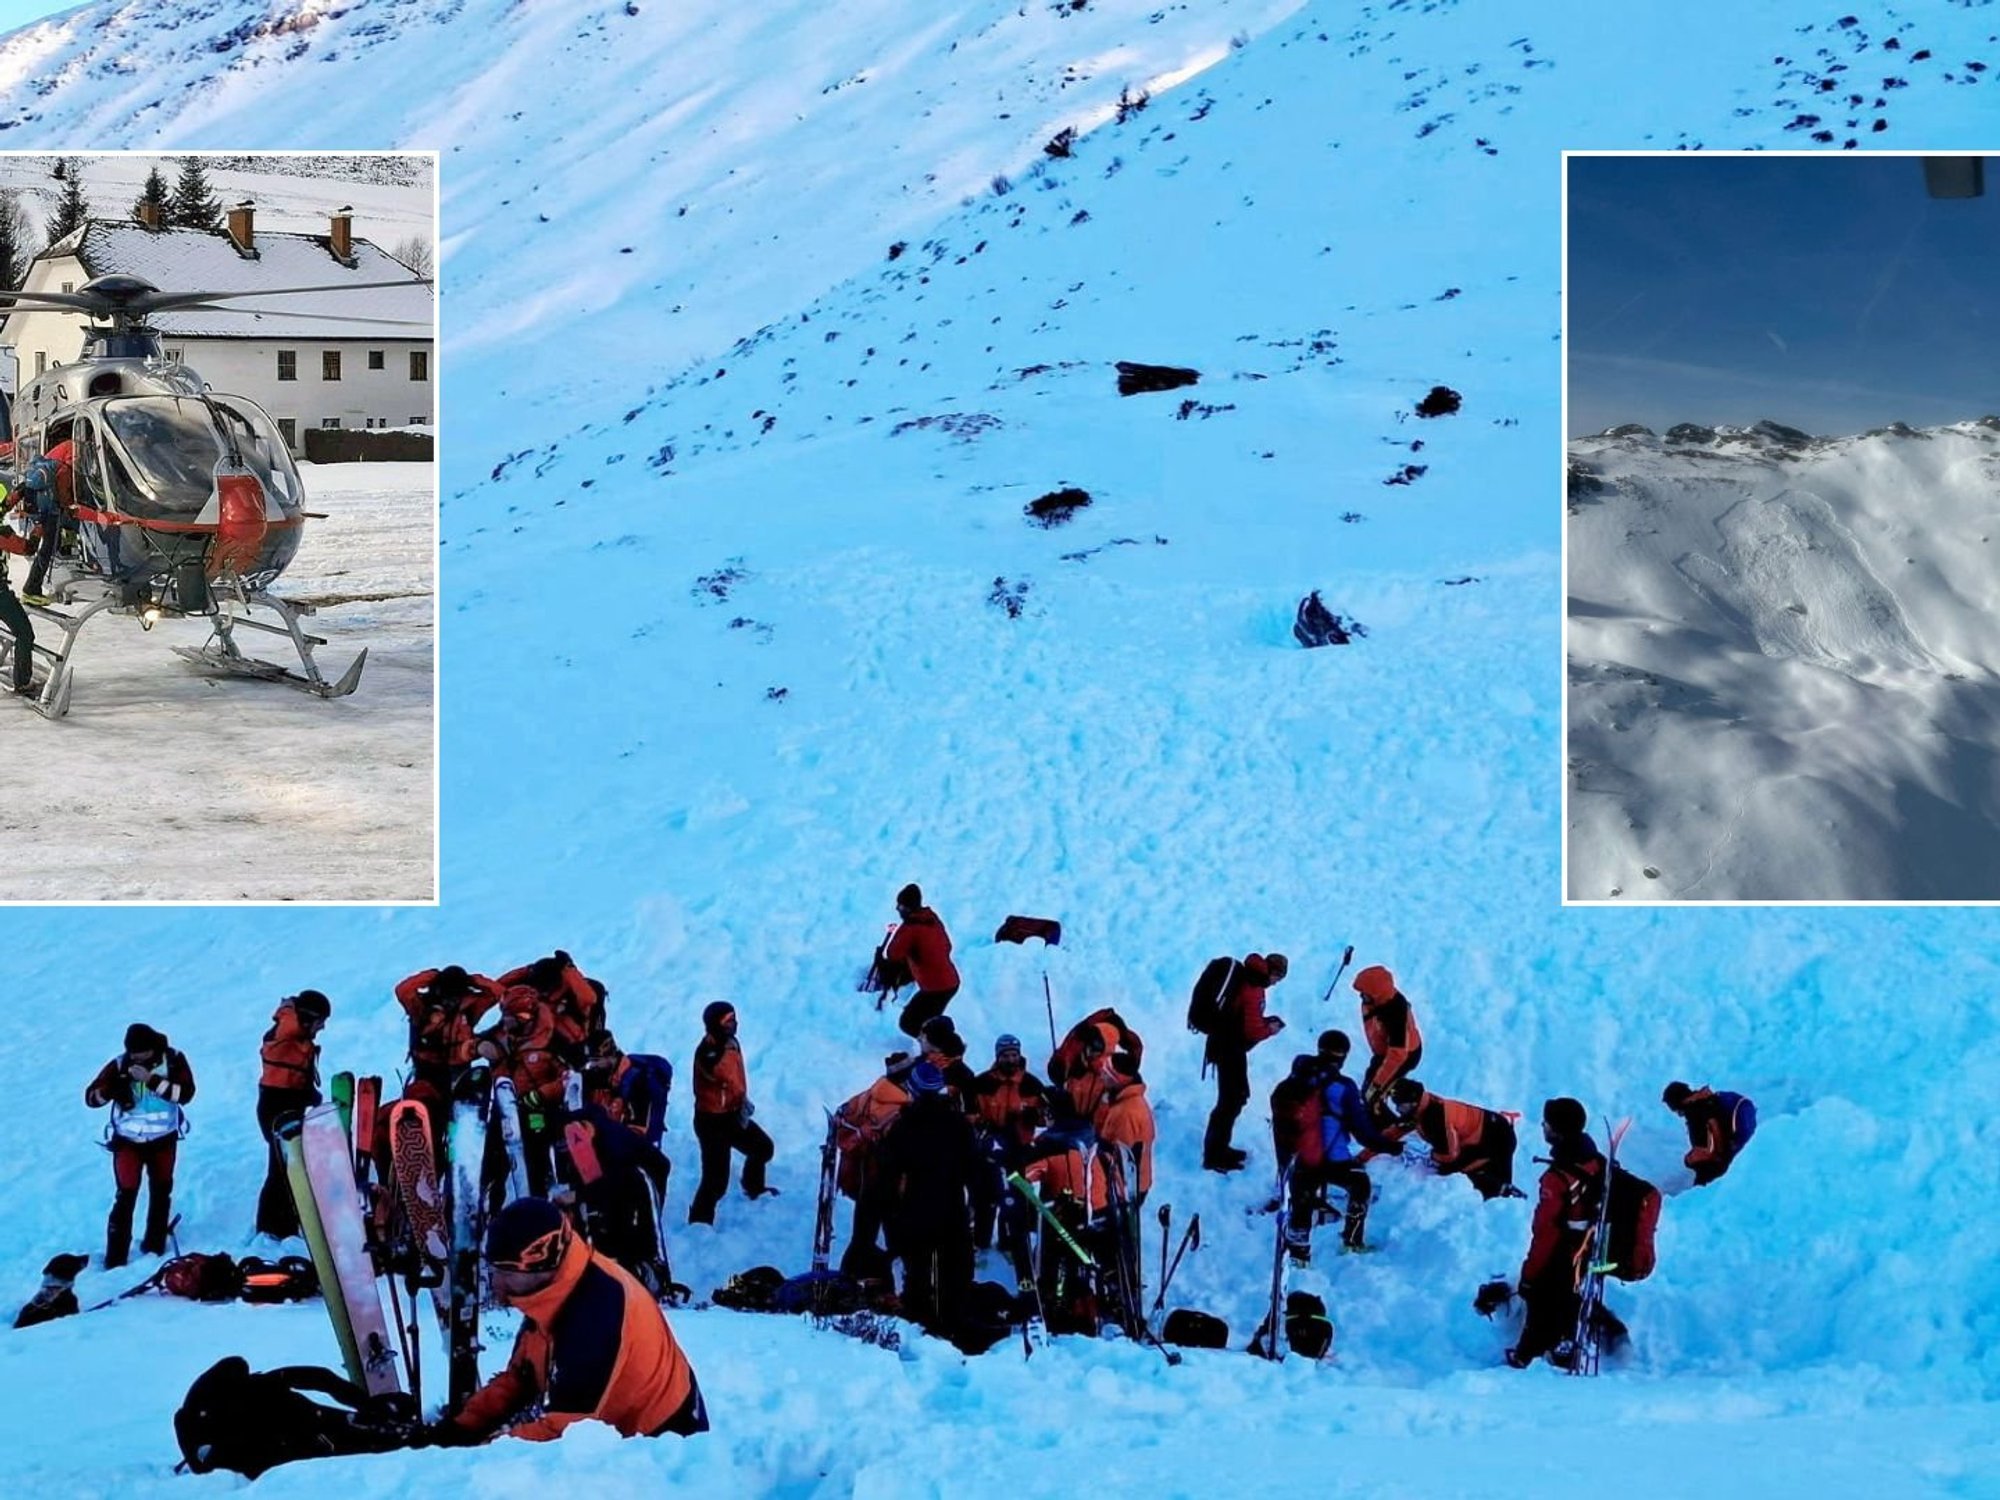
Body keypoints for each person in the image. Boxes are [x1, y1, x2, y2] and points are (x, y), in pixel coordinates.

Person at [440, 1197, 706, 1443]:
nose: (496, 1283)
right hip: (617, 1430)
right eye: (493, 1270)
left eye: (506, 1272)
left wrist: (480, 1452)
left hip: (668, 1449)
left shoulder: (594, 1315)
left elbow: (562, 1434)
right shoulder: (556, 1289)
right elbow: (521, 1378)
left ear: (541, 1266)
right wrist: (461, 1427)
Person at [1507, 1097, 1624, 1369]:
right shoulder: (1595, 1160)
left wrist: (1530, 1273)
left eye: (1546, 1122)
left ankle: (1529, 1356)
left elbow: (1545, 1232)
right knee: (1567, 1297)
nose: (1542, 1126)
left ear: (1556, 1130)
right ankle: (1566, 1343)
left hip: (1564, 1249)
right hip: (1589, 1245)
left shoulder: (1558, 1177)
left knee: (1539, 1297)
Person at [875, 1062, 981, 1340]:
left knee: (918, 1274)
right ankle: (954, 1323)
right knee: (954, 1274)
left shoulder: (903, 1127)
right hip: (952, 1207)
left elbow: (888, 1175)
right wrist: (978, 1205)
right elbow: (975, 1169)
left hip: (916, 1208)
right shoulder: (958, 1125)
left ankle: (918, 1327)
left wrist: (891, 1214)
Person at [84, 1024, 196, 1268]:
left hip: (163, 1140)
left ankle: (155, 1245)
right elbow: (91, 1098)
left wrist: (151, 1080)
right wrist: (111, 1090)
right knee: (125, 1196)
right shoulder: (120, 1064)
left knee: (161, 1192)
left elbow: (185, 1094)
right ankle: (115, 1258)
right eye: (132, 1053)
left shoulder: (174, 1060)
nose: (135, 1057)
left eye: (140, 1053)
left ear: (153, 1049)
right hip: (127, 1142)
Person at [1309, 1029, 1400, 1254]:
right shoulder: (1344, 1088)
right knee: (1361, 1185)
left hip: (1300, 1155)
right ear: (1343, 1056)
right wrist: (1389, 1146)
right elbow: (1363, 1132)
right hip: (1330, 1160)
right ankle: (1352, 1240)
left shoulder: (1300, 1074)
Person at [478, 986, 572, 1195]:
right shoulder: (506, 1031)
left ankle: (542, 1199)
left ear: (524, 1016)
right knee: (493, 1157)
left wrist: (541, 1095)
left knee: (535, 1157)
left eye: (509, 1016)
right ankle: (488, 1205)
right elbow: (479, 1042)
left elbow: (569, 1077)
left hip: (539, 1110)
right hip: (506, 1105)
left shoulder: (554, 1040)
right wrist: (481, 1046)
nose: (504, 1021)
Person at [687, 1002, 774, 1225]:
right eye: (728, 1021)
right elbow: (720, 1073)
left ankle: (753, 1187)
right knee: (715, 1181)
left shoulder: (730, 1043)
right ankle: (699, 1221)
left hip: (732, 1115)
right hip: (712, 1122)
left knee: (762, 1148)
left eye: (734, 1019)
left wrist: (740, 1101)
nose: (734, 1024)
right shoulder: (710, 1053)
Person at [1201, 952, 1288, 1172]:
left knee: (1234, 1098)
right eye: (1278, 979)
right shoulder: (1254, 988)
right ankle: (1214, 1154)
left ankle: (1219, 1148)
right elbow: (1251, 1030)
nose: (1275, 983)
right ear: (1274, 973)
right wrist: (1270, 1028)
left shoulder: (1247, 977)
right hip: (1229, 1049)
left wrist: (1264, 1023)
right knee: (1231, 1101)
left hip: (1224, 1044)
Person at [256, 991, 330, 1240]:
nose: (323, 1027)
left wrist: (310, 1094)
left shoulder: (294, 1033)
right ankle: (271, 1228)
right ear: (308, 1018)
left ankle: (285, 1223)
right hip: (277, 1108)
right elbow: (288, 1025)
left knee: (289, 1166)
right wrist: (293, 1009)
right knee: (282, 1169)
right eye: (320, 1021)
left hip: (287, 1105)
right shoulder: (287, 1032)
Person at [833, 1052, 915, 1279]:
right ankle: (899, 1284)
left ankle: (848, 1279)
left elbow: (843, 1113)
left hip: (866, 1181)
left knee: (862, 1236)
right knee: (896, 1239)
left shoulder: (874, 1093)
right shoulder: (898, 1108)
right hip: (887, 1181)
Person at [967, 1035, 1048, 1252]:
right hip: (989, 1152)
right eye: (1006, 1055)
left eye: (1014, 1054)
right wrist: (981, 1125)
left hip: (1019, 1152)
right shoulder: (982, 1083)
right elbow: (969, 1113)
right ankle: (979, 1242)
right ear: (998, 1056)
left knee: (1014, 1200)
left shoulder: (1032, 1085)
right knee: (984, 1199)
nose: (1011, 1059)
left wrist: (1034, 1116)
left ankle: (1010, 1243)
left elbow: (1047, 1117)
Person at [1383, 1078, 1524, 1200]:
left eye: (1399, 1105)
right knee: (1452, 1166)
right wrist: (1362, 1157)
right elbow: (1392, 1134)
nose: (1397, 1109)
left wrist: (1433, 1155)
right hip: (1494, 1127)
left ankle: (1504, 1192)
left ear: (1412, 1102)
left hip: (1499, 1141)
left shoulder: (1434, 1118)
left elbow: (1450, 1155)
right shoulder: (1425, 1103)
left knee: (1454, 1173)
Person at [393, 964, 502, 1116]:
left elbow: (496, 992)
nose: (449, 999)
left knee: (455, 1108)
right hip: (428, 1070)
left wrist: (471, 980)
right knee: (428, 1106)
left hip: (459, 1070)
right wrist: (432, 976)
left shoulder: (468, 1008)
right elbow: (402, 990)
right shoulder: (422, 1008)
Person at [883, 884, 960, 1038]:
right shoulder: (931, 918)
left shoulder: (911, 927)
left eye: (900, 905)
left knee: (909, 1023)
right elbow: (947, 946)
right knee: (927, 1023)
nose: (897, 908)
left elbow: (893, 954)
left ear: (907, 908)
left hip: (936, 988)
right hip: (950, 982)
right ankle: (937, 1052)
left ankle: (938, 1054)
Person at [1353, 965, 1423, 1109]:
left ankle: (1382, 1118)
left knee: (1374, 1094)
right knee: (1370, 1085)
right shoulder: (1380, 1000)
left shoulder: (1396, 1015)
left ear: (1377, 994)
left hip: (1404, 1056)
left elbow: (1397, 1055)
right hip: (1386, 1052)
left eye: (1364, 994)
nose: (1361, 997)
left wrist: (1377, 1085)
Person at [1662, 1081, 1757, 1187]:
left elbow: (1711, 1141)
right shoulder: (1708, 1099)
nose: (1679, 1114)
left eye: (1676, 1110)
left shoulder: (1695, 1110)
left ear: (1680, 1103)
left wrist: (1693, 1159)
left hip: (1720, 1163)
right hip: (1733, 1149)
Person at [17, 440, 71, 602]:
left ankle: (33, 588)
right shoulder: (64, 468)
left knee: (45, 549)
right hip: (50, 514)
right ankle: (31, 589)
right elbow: (63, 494)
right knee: (46, 551)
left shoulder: (45, 466)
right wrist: (67, 506)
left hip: (38, 513)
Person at [0, 519, 35, 695]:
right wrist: (38, 532)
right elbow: (27, 549)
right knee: (24, 633)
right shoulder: (2, 533)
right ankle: (22, 682)